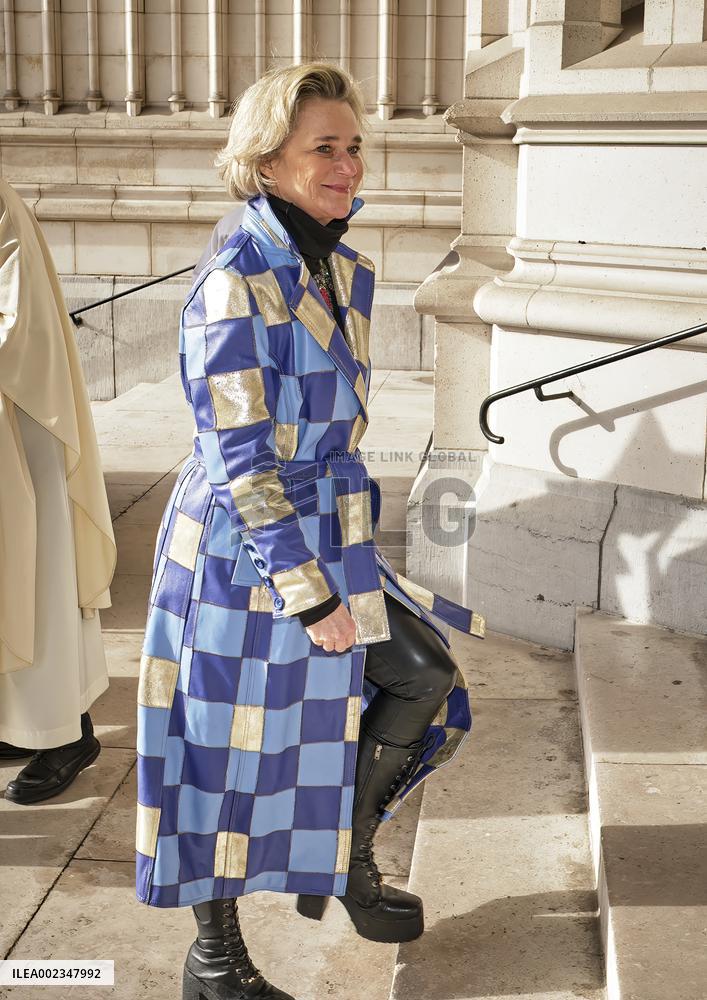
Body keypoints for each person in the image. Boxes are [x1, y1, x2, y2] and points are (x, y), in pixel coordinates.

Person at [135, 64, 485, 1000]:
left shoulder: (339, 266)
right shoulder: (233, 284)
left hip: (328, 528)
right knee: (220, 745)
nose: (345, 163)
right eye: (322, 147)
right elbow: (242, 461)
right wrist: (313, 594)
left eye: (354, 143)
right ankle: (214, 961)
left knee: (423, 681)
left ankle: (344, 856)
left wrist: (342, 567)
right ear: (266, 162)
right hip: (242, 553)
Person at [0, 180, 116, 804]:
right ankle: (21, 722)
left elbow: (18, 321)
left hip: (19, 419)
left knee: (34, 575)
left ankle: (65, 733)